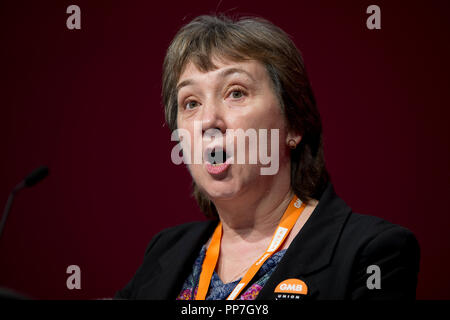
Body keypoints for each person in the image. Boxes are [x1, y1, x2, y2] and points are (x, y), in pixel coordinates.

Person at [115, 14, 420, 300]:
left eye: (236, 92)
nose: (208, 120)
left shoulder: (373, 253)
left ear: (295, 123)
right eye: (191, 102)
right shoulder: (165, 250)